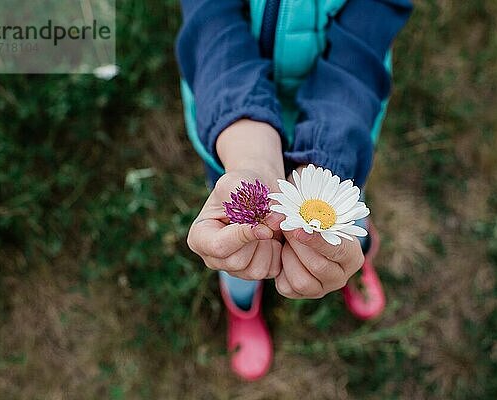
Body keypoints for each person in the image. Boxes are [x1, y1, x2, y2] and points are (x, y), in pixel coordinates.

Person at [176, 0, 412, 381]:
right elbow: (210, 23)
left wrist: (327, 158)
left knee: (347, 221)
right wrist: (250, 155)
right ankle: (243, 304)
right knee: (241, 246)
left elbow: (363, 43)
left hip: (339, 134)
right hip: (233, 130)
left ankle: (356, 260)